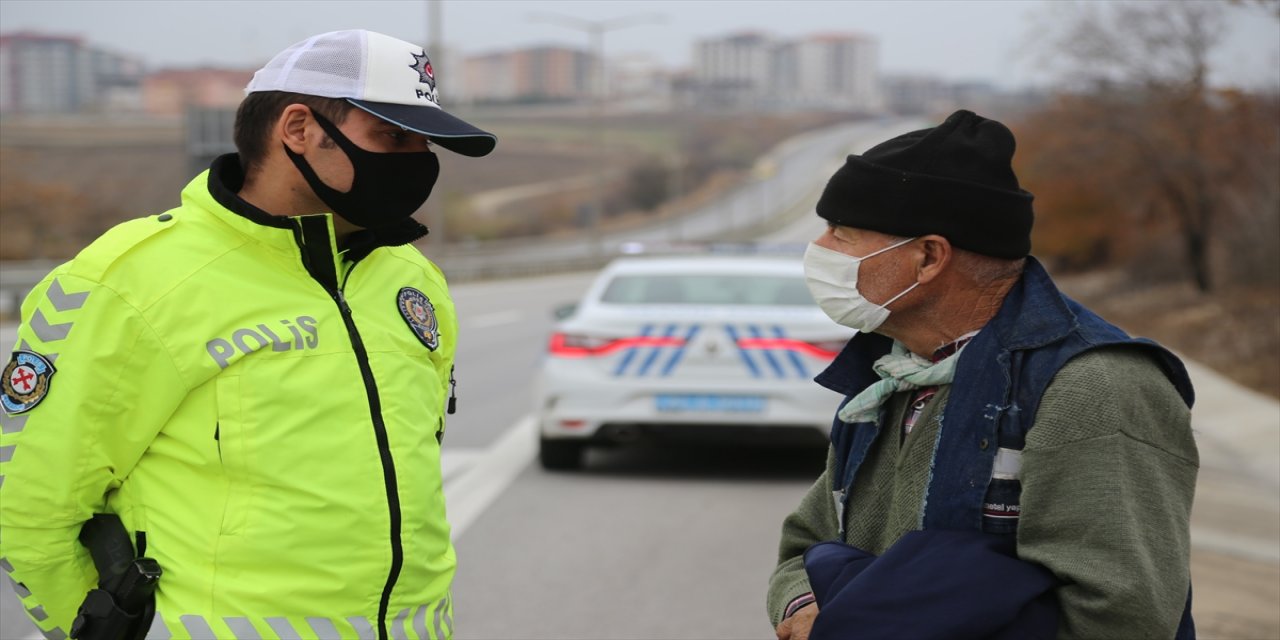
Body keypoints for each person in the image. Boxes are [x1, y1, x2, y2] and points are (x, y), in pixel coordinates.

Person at [0, 29, 494, 640]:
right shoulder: (127, 280)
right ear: (297, 129)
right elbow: (29, 504)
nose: (418, 161)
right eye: (393, 137)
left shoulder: (410, 278)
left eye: (425, 142)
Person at [767, 110, 1198, 639]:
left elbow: (1121, 618)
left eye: (842, 233)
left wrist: (867, 619)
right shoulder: (890, 373)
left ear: (927, 258)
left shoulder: (1094, 387)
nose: (820, 250)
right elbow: (805, 545)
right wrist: (803, 606)